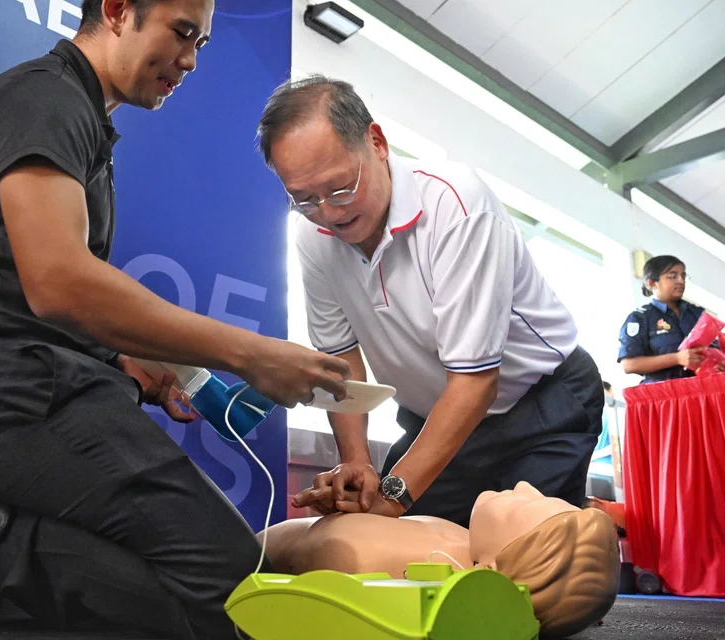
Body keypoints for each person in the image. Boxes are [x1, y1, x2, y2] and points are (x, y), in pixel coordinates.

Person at [0, 2, 351, 638]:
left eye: (200, 43)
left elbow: (34, 291)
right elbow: (59, 282)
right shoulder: (43, 99)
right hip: (8, 399)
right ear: (118, 10)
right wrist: (250, 354)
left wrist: (117, 356)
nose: (190, 60)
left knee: (184, 589)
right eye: (181, 33)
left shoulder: (80, 118)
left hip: (43, 387)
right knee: (233, 590)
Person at [256, 75, 605, 528]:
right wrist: (357, 461)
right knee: (392, 543)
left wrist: (393, 497)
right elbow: (341, 361)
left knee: (522, 554)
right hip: (436, 419)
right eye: (304, 199)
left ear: (377, 142)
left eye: (340, 188)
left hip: (539, 407)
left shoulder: (456, 204)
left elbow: (475, 382)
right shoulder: (312, 235)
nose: (329, 212)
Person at [258, 481, 621, 639]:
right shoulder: (465, 545)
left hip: (249, 557)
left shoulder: (360, 557)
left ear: (488, 571)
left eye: (521, 506)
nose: (525, 486)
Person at [618, 254, 724, 383]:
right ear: (652, 283)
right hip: (664, 392)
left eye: (683, 276)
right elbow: (629, 365)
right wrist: (677, 358)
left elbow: (715, 349)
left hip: (704, 388)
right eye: (672, 276)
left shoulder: (697, 314)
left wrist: (719, 363)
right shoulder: (640, 318)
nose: (681, 281)